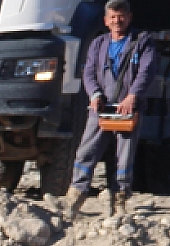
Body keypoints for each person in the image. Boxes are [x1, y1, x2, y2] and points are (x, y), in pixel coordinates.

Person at [64, 0, 155, 218]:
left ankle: (120, 199)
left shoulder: (142, 42)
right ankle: (75, 196)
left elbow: (146, 71)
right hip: (102, 108)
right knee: (87, 151)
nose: (117, 20)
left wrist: (132, 96)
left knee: (123, 157)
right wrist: (95, 95)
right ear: (106, 21)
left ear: (129, 17)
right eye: (113, 17)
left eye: (121, 15)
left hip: (127, 108)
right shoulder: (98, 44)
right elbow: (89, 72)